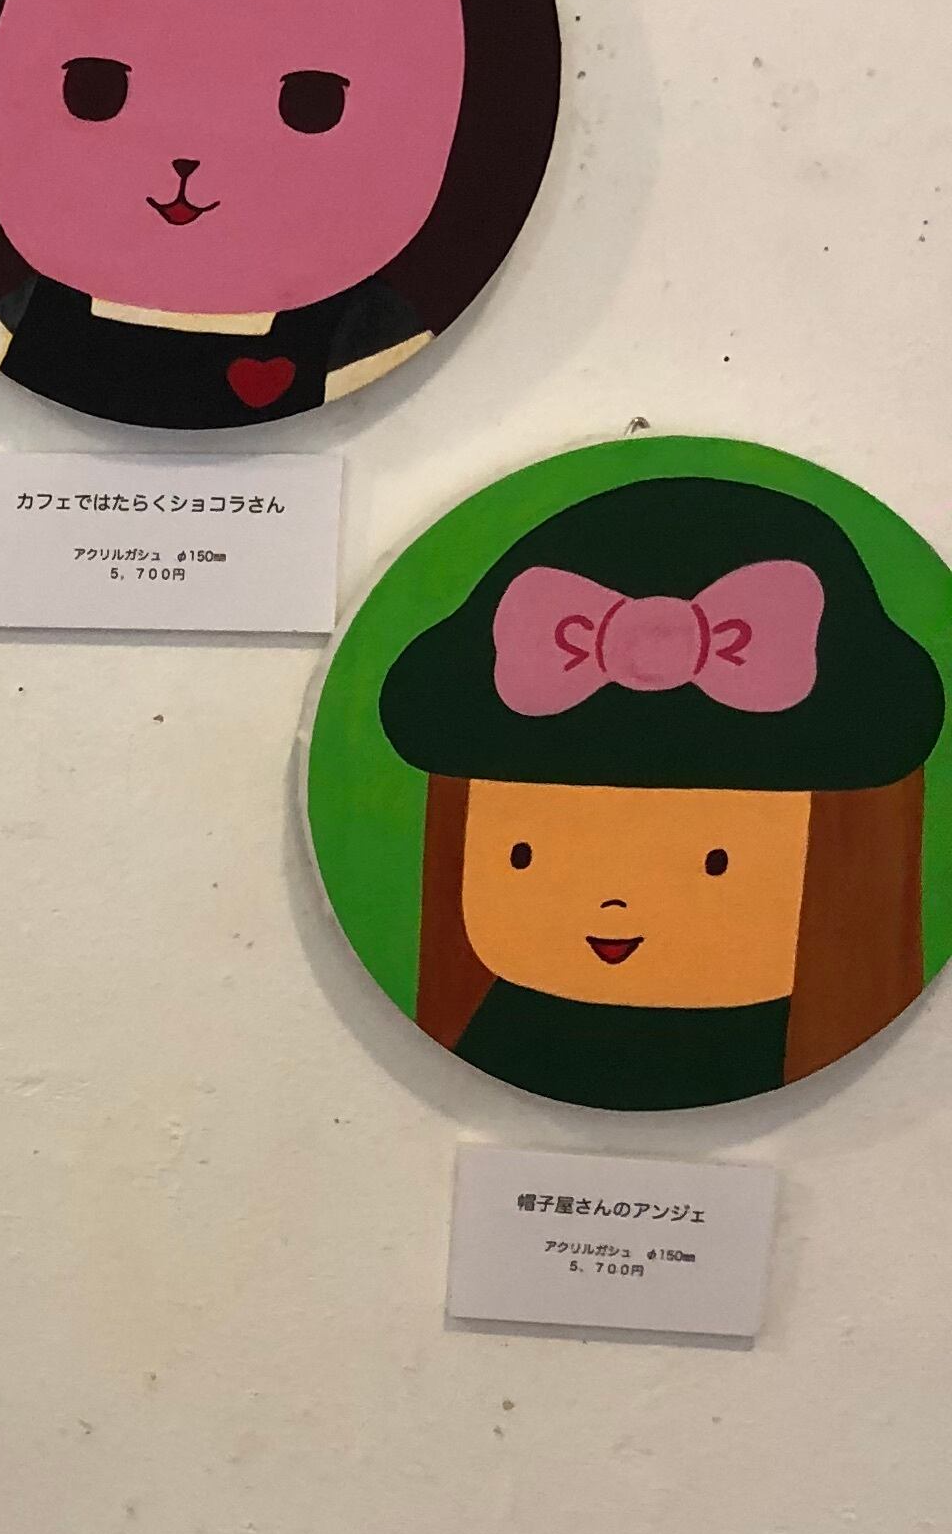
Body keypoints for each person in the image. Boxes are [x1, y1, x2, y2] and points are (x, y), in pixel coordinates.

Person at [376, 472, 946, 1107]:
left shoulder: (820, 1061)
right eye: (523, 854)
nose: (613, 906)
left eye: (716, 862)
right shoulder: (490, 1042)